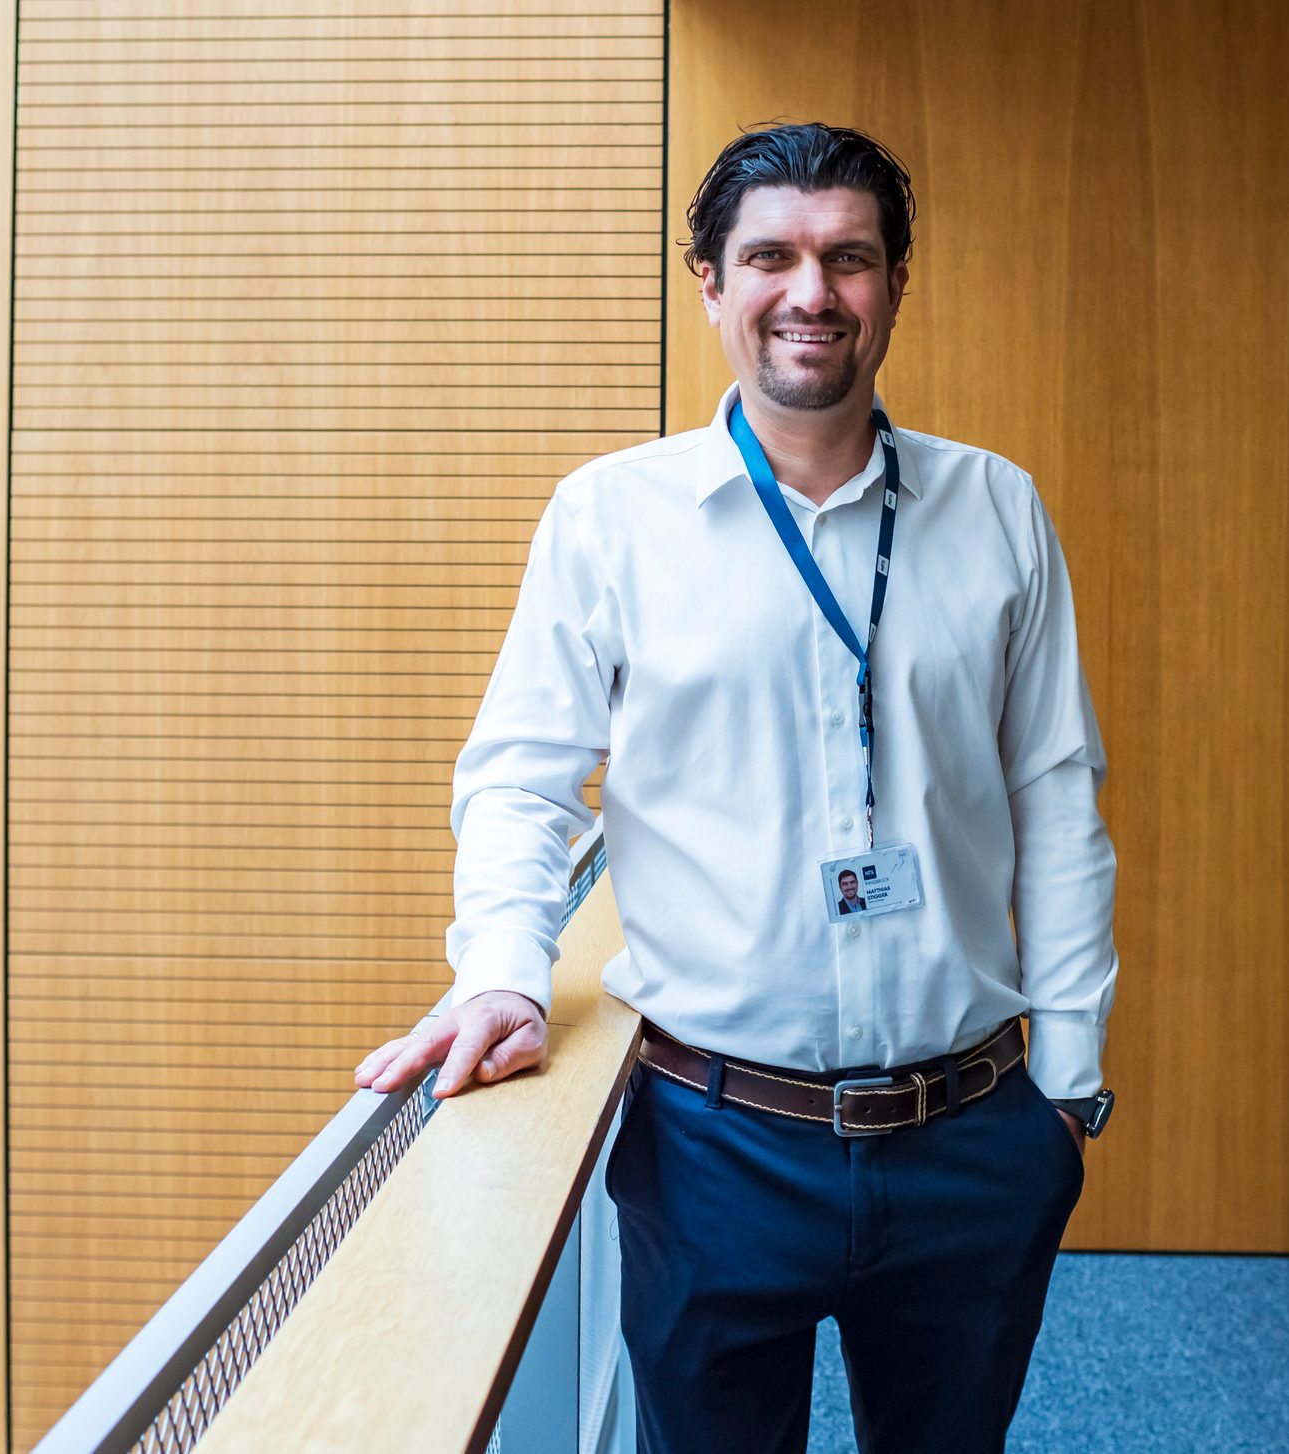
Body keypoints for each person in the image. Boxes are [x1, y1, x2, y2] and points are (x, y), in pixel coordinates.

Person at [356, 122, 1119, 1454]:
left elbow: (1057, 793)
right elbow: (524, 781)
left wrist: (1066, 1086)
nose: (810, 291)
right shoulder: (612, 520)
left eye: (848, 257)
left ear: (894, 283)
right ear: (709, 280)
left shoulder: (998, 509)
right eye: (770, 255)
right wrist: (502, 972)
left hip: (972, 1138)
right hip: (717, 1142)